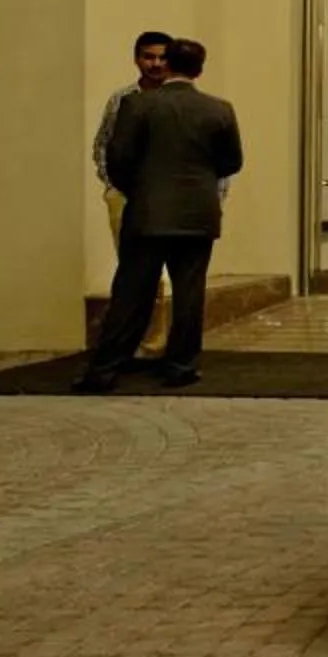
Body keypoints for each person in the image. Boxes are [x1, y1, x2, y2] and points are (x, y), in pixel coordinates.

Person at [76, 38, 243, 392]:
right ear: (199, 69)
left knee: (132, 291)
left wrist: (140, 190)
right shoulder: (219, 109)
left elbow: (117, 159)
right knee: (189, 291)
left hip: (148, 213)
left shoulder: (138, 105)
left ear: (167, 66)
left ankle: (106, 368)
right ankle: (181, 365)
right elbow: (232, 161)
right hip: (198, 213)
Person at [92, 31, 174, 245]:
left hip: (170, 192)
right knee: (130, 263)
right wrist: (111, 185)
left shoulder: (182, 100)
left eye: (163, 57)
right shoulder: (122, 99)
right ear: (136, 59)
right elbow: (104, 141)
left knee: (167, 266)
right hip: (126, 192)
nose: (156, 64)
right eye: (148, 57)